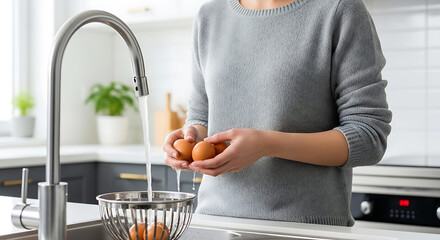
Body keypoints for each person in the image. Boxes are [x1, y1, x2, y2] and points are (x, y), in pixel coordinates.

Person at [163, 0, 392, 226]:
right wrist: (190, 137)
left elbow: (369, 136)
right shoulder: (209, 16)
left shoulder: (339, 10)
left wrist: (267, 144)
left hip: (304, 227)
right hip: (215, 223)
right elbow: (202, 118)